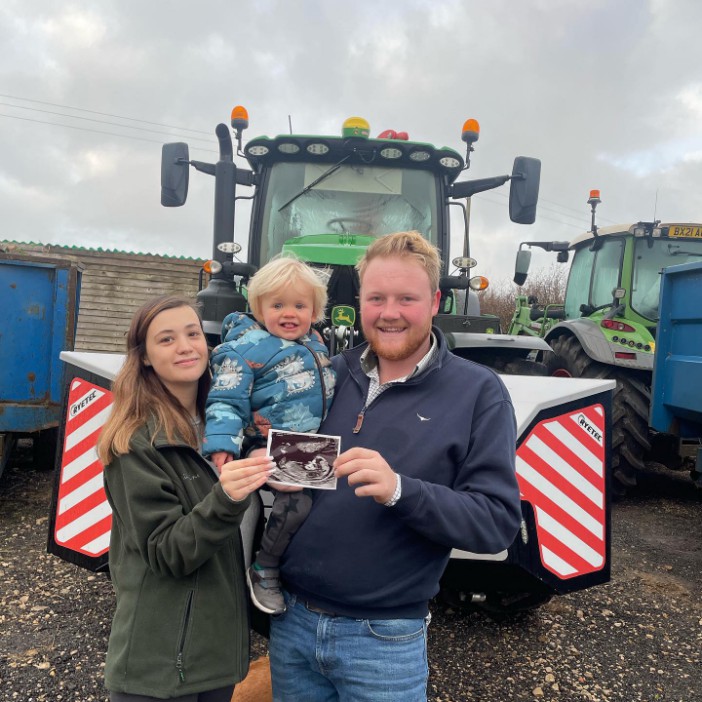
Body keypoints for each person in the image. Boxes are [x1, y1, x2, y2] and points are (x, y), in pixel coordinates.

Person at [268, 231, 523, 702]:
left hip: (384, 640)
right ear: (359, 301)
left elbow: (496, 525)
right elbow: (297, 477)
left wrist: (401, 490)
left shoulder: (477, 393)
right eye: (376, 298)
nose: (389, 312)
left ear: (435, 301)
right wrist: (260, 448)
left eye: (407, 298)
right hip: (294, 625)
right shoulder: (327, 374)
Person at [97, 295, 273, 702]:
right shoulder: (136, 443)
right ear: (143, 357)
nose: (185, 346)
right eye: (167, 339)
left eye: (193, 333)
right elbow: (167, 551)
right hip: (160, 664)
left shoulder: (229, 431)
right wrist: (227, 496)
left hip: (216, 657)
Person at [203, 256, 335, 616]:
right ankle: (265, 567)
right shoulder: (243, 349)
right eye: (277, 305)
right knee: (297, 503)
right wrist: (222, 443)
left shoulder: (315, 343)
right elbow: (225, 400)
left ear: (315, 310)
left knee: (328, 505)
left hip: (305, 441)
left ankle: (302, 568)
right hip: (264, 441)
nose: (288, 313)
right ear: (258, 306)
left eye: (299, 305)